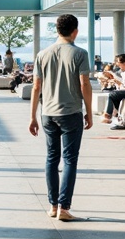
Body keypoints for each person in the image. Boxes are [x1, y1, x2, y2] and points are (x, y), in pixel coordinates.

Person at [28, 13, 93, 222]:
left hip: (47, 113)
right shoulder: (80, 53)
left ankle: (53, 206)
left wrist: (33, 117)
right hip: (71, 113)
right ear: (75, 31)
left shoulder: (42, 54)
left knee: (51, 158)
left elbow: (36, 87)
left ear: (57, 30)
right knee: (70, 160)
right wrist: (89, 112)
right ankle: (64, 207)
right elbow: (84, 84)